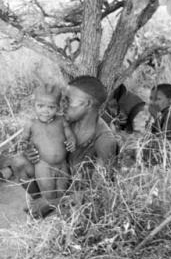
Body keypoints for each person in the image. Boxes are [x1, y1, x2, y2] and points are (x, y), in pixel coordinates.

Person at [23, 76, 119, 218]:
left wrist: (53, 203)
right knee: (20, 163)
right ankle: (41, 205)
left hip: (78, 201)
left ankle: (48, 208)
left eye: (68, 100)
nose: (62, 105)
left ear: (87, 104)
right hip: (56, 182)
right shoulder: (65, 122)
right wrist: (32, 152)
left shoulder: (104, 141)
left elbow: (98, 192)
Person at [11, 83, 77, 200]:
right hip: (43, 165)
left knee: (61, 193)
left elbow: (70, 136)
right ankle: (46, 209)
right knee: (49, 194)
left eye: (51, 107)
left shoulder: (61, 121)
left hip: (62, 164)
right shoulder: (31, 124)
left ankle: (58, 213)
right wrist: (26, 146)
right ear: (34, 105)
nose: (45, 111)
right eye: (40, 106)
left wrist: (72, 142)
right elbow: (23, 141)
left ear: (58, 107)